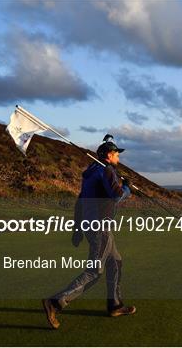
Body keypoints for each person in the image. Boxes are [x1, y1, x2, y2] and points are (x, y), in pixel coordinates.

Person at [42, 136, 135, 329]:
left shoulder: (91, 172)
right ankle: (56, 302)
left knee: (115, 262)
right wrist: (127, 188)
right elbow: (117, 195)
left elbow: (80, 202)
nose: (118, 157)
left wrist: (77, 229)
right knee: (94, 271)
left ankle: (115, 305)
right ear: (109, 155)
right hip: (100, 227)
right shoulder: (107, 170)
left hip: (92, 226)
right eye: (117, 154)